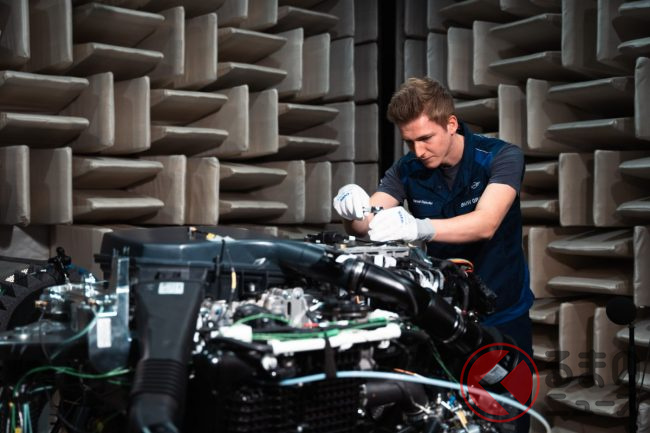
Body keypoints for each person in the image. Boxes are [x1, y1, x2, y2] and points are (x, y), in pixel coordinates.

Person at [333, 77, 534, 427]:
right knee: (444, 416)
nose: (418, 151)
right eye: (409, 142)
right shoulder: (406, 169)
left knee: (507, 415)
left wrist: (418, 227)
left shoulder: (500, 157)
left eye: (426, 138)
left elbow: (486, 223)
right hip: (445, 314)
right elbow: (367, 223)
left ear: (451, 124)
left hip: (503, 313)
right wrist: (352, 211)